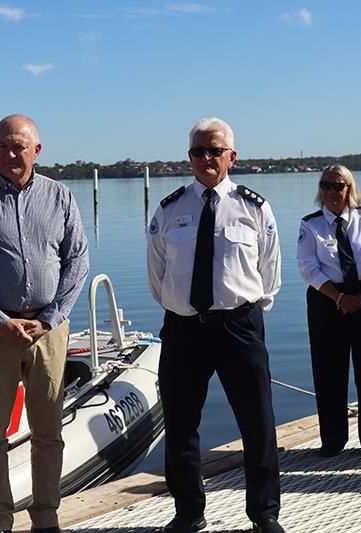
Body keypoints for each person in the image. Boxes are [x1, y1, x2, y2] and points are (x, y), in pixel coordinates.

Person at [0, 114, 89, 533]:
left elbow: (77, 261)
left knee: (49, 430)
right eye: (2, 147)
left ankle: (46, 516)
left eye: (18, 146)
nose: (10, 154)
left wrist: (50, 318)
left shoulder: (60, 197)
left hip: (48, 329)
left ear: (36, 151)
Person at [147, 118, 284, 533]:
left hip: (239, 326)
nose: (206, 159)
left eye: (215, 151)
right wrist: (181, 308)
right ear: (189, 157)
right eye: (198, 152)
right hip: (184, 328)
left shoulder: (254, 208)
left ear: (232, 156)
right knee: (182, 422)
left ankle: (264, 514)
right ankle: (188, 512)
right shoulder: (170, 209)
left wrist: (246, 312)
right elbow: (157, 276)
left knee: (257, 422)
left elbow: (270, 275)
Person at [297, 164, 361, 457]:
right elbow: (308, 267)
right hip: (327, 300)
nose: (331, 192)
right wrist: (339, 298)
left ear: (349, 189)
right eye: (325, 185)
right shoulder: (310, 225)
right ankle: (333, 439)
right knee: (328, 369)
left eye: (337, 186)